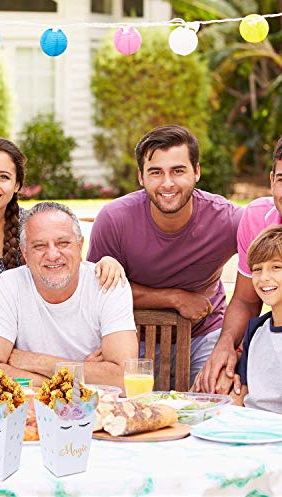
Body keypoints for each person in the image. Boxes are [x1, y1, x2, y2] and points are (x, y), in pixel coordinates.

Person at [87, 124, 244, 387]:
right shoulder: (114, 219)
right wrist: (175, 298)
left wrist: (231, 344)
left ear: (196, 172)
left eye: (178, 171)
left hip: (204, 335)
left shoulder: (227, 219)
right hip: (132, 339)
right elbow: (95, 293)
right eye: (156, 172)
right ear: (141, 176)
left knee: (218, 402)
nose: (167, 183)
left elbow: (270, 254)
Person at [0, 135, 125, 342]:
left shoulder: (30, 227)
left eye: (3, 177)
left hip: (6, 349)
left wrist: (107, 263)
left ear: (17, 185)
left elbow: (61, 264)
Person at [0, 202, 138, 388]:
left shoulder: (107, 282)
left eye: (63, 243)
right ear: (25, 254)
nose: (52, 255)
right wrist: (72, 379)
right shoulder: (9, 284)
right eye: (39, 245)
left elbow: (125, 378)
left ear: (80, 246)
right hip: (30, 409)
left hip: (97, 410)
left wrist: (39, 363)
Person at [195, 136, 282, 394]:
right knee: (219, 384)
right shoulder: (257, 219)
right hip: (271, 338)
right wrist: (226, 348)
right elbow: (246, 300)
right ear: (271, 180)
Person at [232, 225, 282, 413]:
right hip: (249, 427)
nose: (263, 278)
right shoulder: (256, 328)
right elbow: (242, 393)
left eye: (276, 267)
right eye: (257, 269)